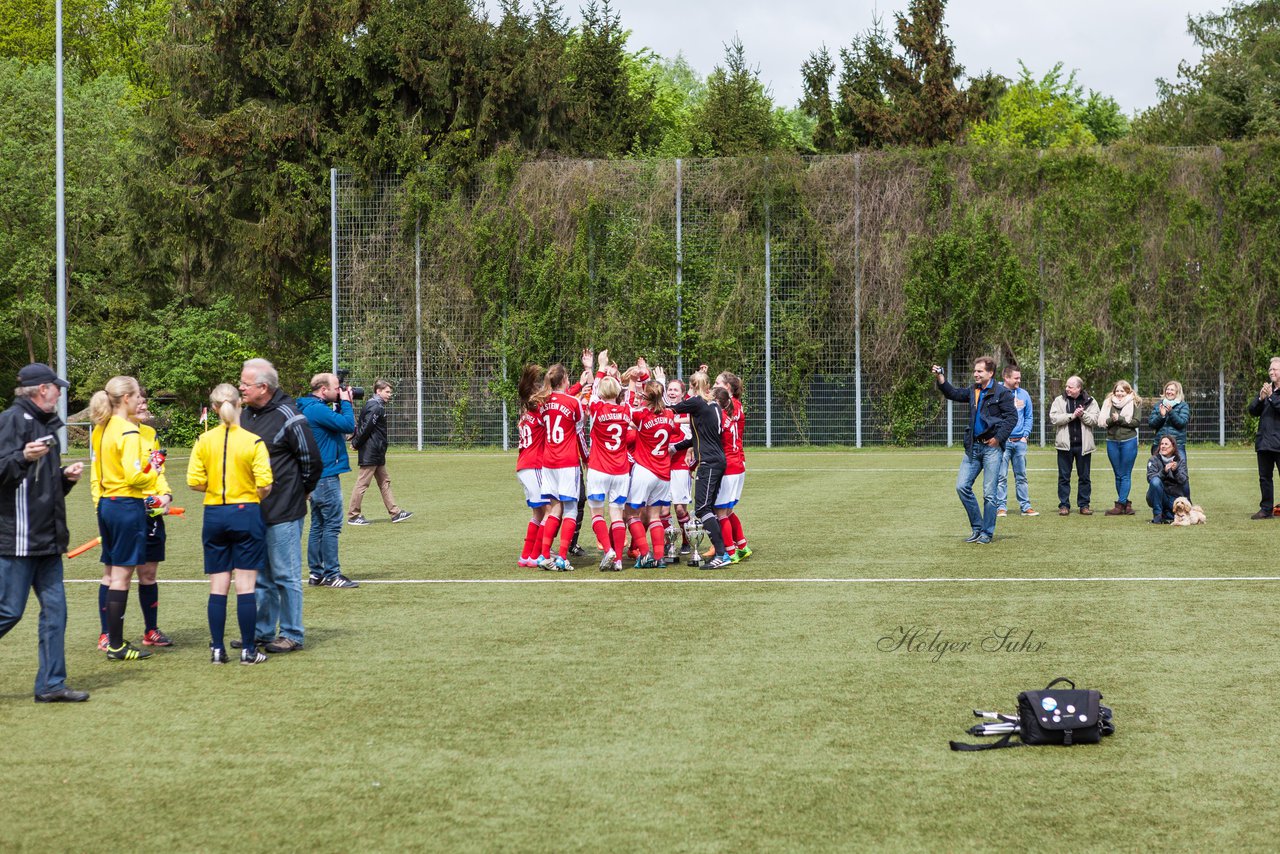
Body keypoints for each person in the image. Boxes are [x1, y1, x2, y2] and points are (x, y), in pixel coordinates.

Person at [0, 363, 89, 702]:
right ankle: (51, 683)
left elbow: (39, 486)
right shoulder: (11, 420)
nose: (61, 393)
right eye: (57, 387)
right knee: (9, 611)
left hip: (47, 539)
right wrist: (22, 456)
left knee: (56, 613)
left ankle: (51, 685)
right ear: (41, 390)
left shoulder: (44, 424)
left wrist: (64, 478)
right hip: (18, 539)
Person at [239, 358, 322, 653]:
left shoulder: (290, 415)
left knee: (285, 575)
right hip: (251, 509)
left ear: (263, 387)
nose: (240, 388)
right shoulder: (244, 415)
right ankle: (262, 631)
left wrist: (302, 492)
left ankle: (292, 634)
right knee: (260, 575)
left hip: (284, 509)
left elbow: (312, 460)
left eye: (245, 384)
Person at [188, 383, 274, 664]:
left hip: (214, 513)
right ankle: (249, 650)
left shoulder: (204, 441)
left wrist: (216, 489)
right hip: (245, 511)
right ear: (240, 405)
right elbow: (265, 484)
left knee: (218, 586)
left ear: (214, 409)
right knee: (246, 586)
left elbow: (194, 481)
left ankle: (216, 649)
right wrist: (249, 494)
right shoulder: (253, 441)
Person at [92, 388, 173, 650]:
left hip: (147, 511)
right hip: (126, 506)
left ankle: (151, 631)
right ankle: (108, 635)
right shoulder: (112, 430)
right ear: (125, 400)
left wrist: (165, 495)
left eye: (144, 401)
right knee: (115, 573)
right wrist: (100, 504)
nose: (142, 404)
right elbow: (103, 475)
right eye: (138, 398)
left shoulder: (149, 434)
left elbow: (155, 468)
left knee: (148, 572)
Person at [932, 357, 1017, 544]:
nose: (976, 374)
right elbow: (952, 393)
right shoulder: (973, 390)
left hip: (991, 449)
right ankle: (977, 528)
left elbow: (1012, 418)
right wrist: (940, 377)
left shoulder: (1002, 393)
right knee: (962, 487)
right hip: (973, 447)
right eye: (975, 371)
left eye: (980, 371)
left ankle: (987, 533)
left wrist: (998, 439)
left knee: (989, 494)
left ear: (990, 373)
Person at [297, 373, 358, 588]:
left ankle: (317, 574)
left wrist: (340, 403)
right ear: (323, 390)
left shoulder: (309, 407)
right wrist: (347, 402)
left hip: (315, 475)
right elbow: (349, 425)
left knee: (318, 525)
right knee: (331, 526)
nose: (339, 390)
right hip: (325, 475)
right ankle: (332, 574)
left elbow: (338, 426)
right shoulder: (317, 409)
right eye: (336, 388)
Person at [670, 372, 733, 567]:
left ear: (693, 386)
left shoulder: (697, 402)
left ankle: (722, 554)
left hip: (709, 462)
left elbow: (670, 409)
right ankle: (722, 551)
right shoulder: (712, 405)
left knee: (702, 508)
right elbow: (699, 437)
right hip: (715, 459)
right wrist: (676, 447)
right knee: (709, 508)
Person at [532, 363, 586, 570]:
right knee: (571, 509)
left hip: (549, 462)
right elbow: (580, 433)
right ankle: (562, 557)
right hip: (567, 461)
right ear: (564, 380)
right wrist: (587, 459)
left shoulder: (542, 402)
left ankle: (544, 556)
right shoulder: (573, 402)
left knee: (555, 508)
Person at [347, 380, 412, 526]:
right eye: (387, 392)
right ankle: (353, 515)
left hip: (377, 450)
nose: (390, 395)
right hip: (371, 450)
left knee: (384, 482)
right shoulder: (375, 406)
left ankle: (395, 513)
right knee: (362, 483)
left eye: (390, 392)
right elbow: (367, 427)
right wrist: (356, 443)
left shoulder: (377, 405)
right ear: (378, 391)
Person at [1049, 376, 1101, 515]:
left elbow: (1095, 419)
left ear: (1079, 388)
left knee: (1084, 477)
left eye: (1070, 387)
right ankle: (1064, 505)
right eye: (1066, 386)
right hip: (1065, 445)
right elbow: (1054, 418)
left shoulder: (1090, 401)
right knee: (1064, 477)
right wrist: (1072, 416)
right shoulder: (1059, 400)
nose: (1067, 389)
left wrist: (1082, 414)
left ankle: (1084, 505)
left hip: (1083, 446)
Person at [515, 364, 549, 566]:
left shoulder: (525, 415)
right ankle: (535, 555)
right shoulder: (538, 417)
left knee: (537, 513)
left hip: (524, 466)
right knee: (550, 512)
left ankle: (526, 555)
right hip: (534, 465)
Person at [995, 365, 1038, 518]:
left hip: (1019, 442)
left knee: (1021, 476)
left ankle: (1025, 507)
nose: (1019, 380)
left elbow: (1029, 417)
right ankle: (1001, 507)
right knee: (1001, 476)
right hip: (1002, 442)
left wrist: (1025, 436)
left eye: (1019, 377)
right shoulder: (996, 392)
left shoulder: (1024, 394)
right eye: (1016, 378)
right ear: (1006, 378)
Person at [1099, 380, 1142, 516]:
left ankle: (1120, 504)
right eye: (1117, 391)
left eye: (1122, 391)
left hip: (1128, 441)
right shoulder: (1108, 403)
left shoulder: (1135, 402)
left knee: (1125, 474)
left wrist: (1120, 419)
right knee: (1117, 474)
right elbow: (1102, 422)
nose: (1119, 393)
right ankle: (1125, 505)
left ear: (1128, 392)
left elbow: (1136, 422)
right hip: (1112, 441)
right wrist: (1113, 420)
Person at [1247, 357, 1280, 519]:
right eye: (1270, 370)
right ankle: (1266, 509)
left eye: (1275, 369)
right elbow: (1252, 411)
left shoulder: (1273, 393)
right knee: (1265, 478)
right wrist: (1260, 398)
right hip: (1264, 442)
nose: (1271, 372)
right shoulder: (1267, 390)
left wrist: (1271, 397)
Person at [1149, 380, 1191, 497]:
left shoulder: (1183, 405)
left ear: (1177, 391)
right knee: (1159, 475)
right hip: (1159, 445)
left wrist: (1171, 412)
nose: (1169, 391)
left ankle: (1187, 502)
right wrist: (1161, 415)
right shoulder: (1158, 405)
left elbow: (1181, 423)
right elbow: (1151, 424)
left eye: (1172, 389)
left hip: (1178, 445)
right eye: (1167, 389)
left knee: (1182, 475)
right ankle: (1163, 505)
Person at [1146, 435, 1188, 524]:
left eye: (1166, 444)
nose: (1163, 446)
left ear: (1173, 447)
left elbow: (1183, 480)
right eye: (1161, 444)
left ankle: (1166, 513)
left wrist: (1175, 471)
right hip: (1156, 495)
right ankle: (1157, 515)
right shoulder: (1153, 459)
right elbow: (1150, 479)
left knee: (1173, 516)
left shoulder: (1180, 460)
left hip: (1173, 496)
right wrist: (1164, 471)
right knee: (1156, 481)